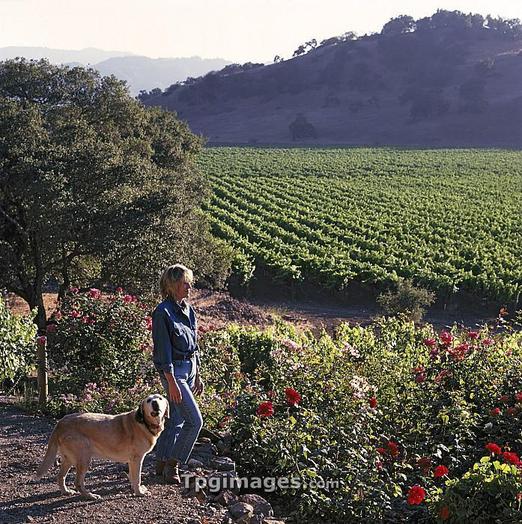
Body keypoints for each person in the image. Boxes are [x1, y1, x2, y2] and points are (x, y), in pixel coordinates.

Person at [151, 263, 204, 483]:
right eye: (185, 283)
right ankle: (174, 464)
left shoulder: (188, 309)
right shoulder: (162, 312)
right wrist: (171, 381)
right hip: (175, 372)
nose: (189, 287)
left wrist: (198, 373)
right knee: (195, 421)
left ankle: (162, 463)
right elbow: (163, 351)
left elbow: (195, 345)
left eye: (190, 283)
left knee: (177, 421)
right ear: (173, 285)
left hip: (189, 368)